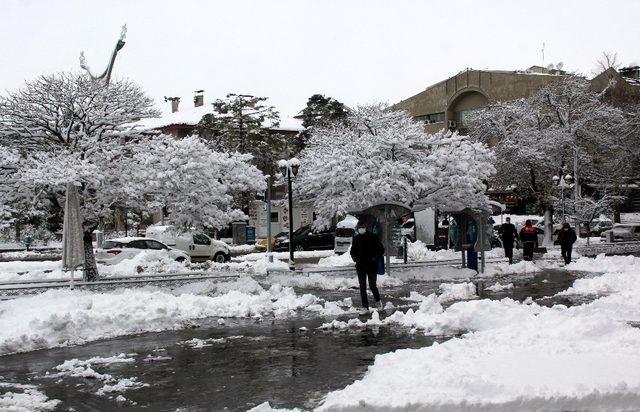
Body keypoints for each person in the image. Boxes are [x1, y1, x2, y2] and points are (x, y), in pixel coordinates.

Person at [350, 219, 385, 315]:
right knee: (362, 287)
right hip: (361, 266)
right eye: (359, 228)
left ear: (366, 228)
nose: (361, 229)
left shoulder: (373, 237)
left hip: (371, 266)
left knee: (372, 285)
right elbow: (353, 251)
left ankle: (378, 303)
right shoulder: (356, 238)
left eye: (362, 227)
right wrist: (355, 258)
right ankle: (365, 307)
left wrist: (374, 258)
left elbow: (381, 250)